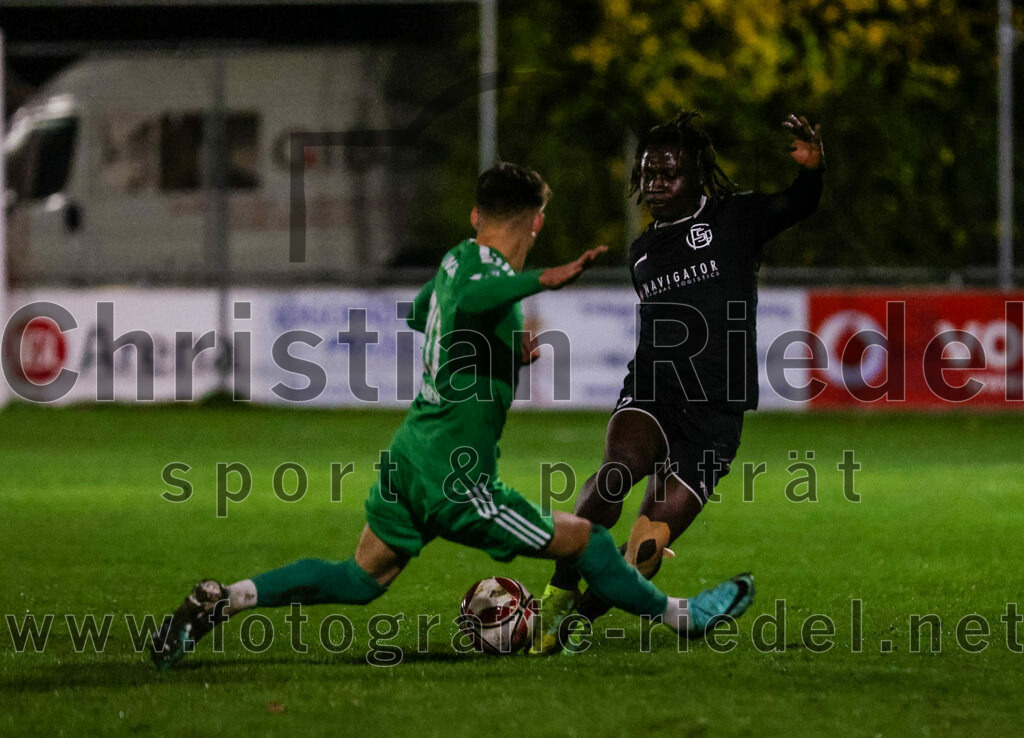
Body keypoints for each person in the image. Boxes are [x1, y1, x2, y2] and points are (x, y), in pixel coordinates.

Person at [149, 161, 752, 670]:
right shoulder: (490, 276)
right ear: (537, 223)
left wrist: (497, 346)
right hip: (455, 479)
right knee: (587, 539)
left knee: (361, 580)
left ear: (475, 218)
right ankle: (682, 617)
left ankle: (223, 600)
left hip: (412, 453)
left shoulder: (455, 260)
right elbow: (473, 298)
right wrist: (544, 279)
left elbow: (424, 312)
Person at [529, 113, 824, 655]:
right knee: (615, 475)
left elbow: (799, 204)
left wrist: (812, 169)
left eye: (670, 173)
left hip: (716, 415)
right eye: (649, 174)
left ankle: (576, 620)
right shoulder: (643, 251)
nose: (657, 184)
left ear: (696, 176)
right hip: (653, 392)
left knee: (646, 546)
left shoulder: (737, 218)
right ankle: (556, 593)